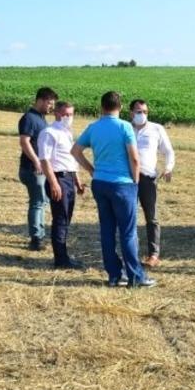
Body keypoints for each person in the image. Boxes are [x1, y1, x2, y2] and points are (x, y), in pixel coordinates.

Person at [71, 91, 155, 289]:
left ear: (101, 107)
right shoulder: (125, 126)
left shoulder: (94, 127)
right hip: (123, 184)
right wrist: (135, 182)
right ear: (121, 107)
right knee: (127, 232)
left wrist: (92, 170)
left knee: (107, 231)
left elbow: (75, 151)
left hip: (100, 183)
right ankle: (136, 277)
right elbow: (134, 158)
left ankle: (114, 275)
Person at [38, 101, 85, 269]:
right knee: (60, 219)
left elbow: (70, 159)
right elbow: (45, 160)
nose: (68, 118)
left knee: (66, 218)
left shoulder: (67, 133)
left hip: (69, 178)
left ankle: (64, 255)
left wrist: (77, 180)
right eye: (65, 114)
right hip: (58, 178)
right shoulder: (49, 133)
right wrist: (53, 183)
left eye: (71, 114)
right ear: (57, 114)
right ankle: (60, 259)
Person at [129, 98, 175, 267]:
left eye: (145, 112)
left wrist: (168, 167)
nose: (142, 115)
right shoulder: (125, 128)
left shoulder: (156, 129)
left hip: (148, 178)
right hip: (128, 179)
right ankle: (131, 252)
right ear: (131, 113)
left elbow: (168, 151)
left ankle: (153, 254)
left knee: (151, 217)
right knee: (130, 216)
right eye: (139, 111)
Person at [19, 87, 58, 251]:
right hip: (32, 169)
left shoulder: (41, 119)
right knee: (38, 202)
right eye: (49, 103)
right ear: (40, 100)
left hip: (40, 168)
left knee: (42, 201)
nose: (51, 107)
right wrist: (36, 161)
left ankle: (40, 234)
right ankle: (36, 238)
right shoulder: (29, 118)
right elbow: (24, 141)